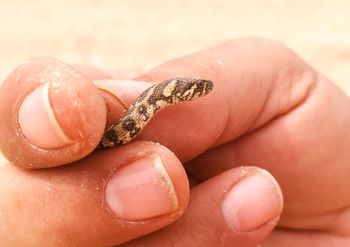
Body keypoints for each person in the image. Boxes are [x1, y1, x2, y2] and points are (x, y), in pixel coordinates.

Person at [0, 38, 349, 246]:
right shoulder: (145, 106)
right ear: (171, 95)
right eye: (195, 90)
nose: (201, 93)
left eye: (196, 89)